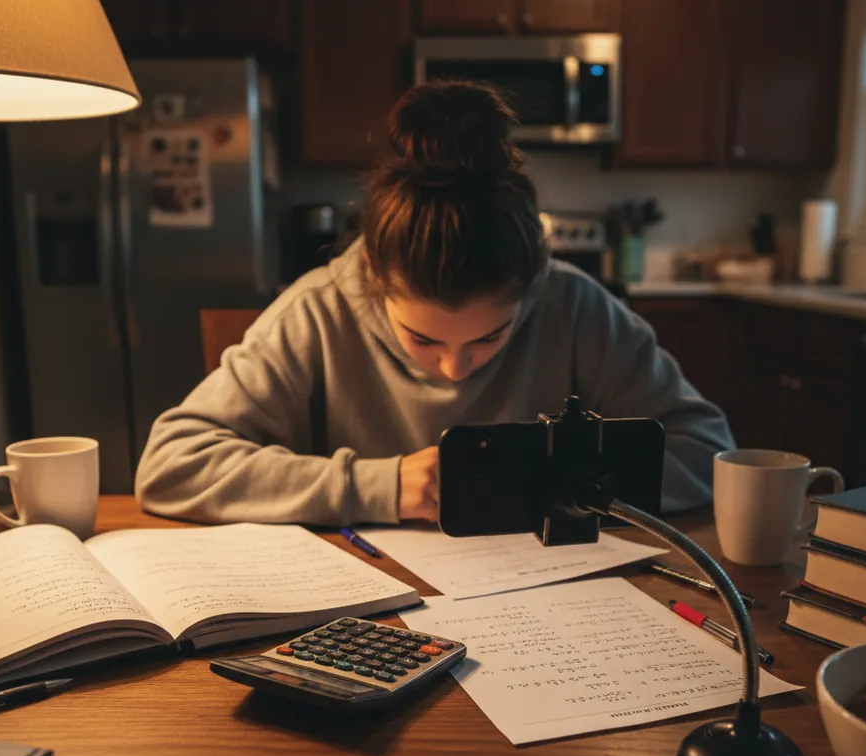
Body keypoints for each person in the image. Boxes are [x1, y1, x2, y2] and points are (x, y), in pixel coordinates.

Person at [136, 81, 733, 527]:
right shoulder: (317, 311)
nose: (454, 370)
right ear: (373, 274)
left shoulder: (574, 305)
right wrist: (381, 485)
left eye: (490, 338)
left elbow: (708, 450)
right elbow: (172, 465)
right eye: (422, 339)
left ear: (532, 288)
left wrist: (551, 482)